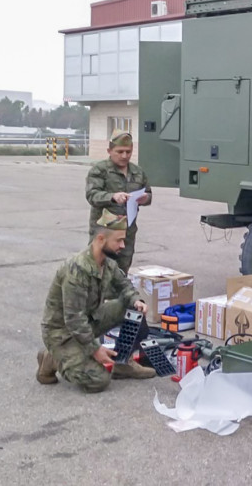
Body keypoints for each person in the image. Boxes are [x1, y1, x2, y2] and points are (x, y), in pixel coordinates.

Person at [37, 210, 157, 391]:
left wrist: (136, 300)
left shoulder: (108, 263)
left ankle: (122, 362)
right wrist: (96, 350)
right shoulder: (76, 270)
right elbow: (74, 320)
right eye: (118, 240)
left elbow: (124, 286)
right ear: (101, 239)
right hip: (62, 333)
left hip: (88, 321)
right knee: (98, 380)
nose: (123, 245)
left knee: (133, 309)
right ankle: (52, 358)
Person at [85, 129, 152, 274]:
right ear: (109, 150)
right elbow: (92, 195)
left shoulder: (138, 172)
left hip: (126, 234)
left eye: (128, 152)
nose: (124, 156)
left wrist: (145, 198)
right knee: (98, 271)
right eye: (120, 151)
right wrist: (112, 196)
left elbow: (148, 193)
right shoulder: (100, 170)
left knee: (122, 273)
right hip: (105, 233)